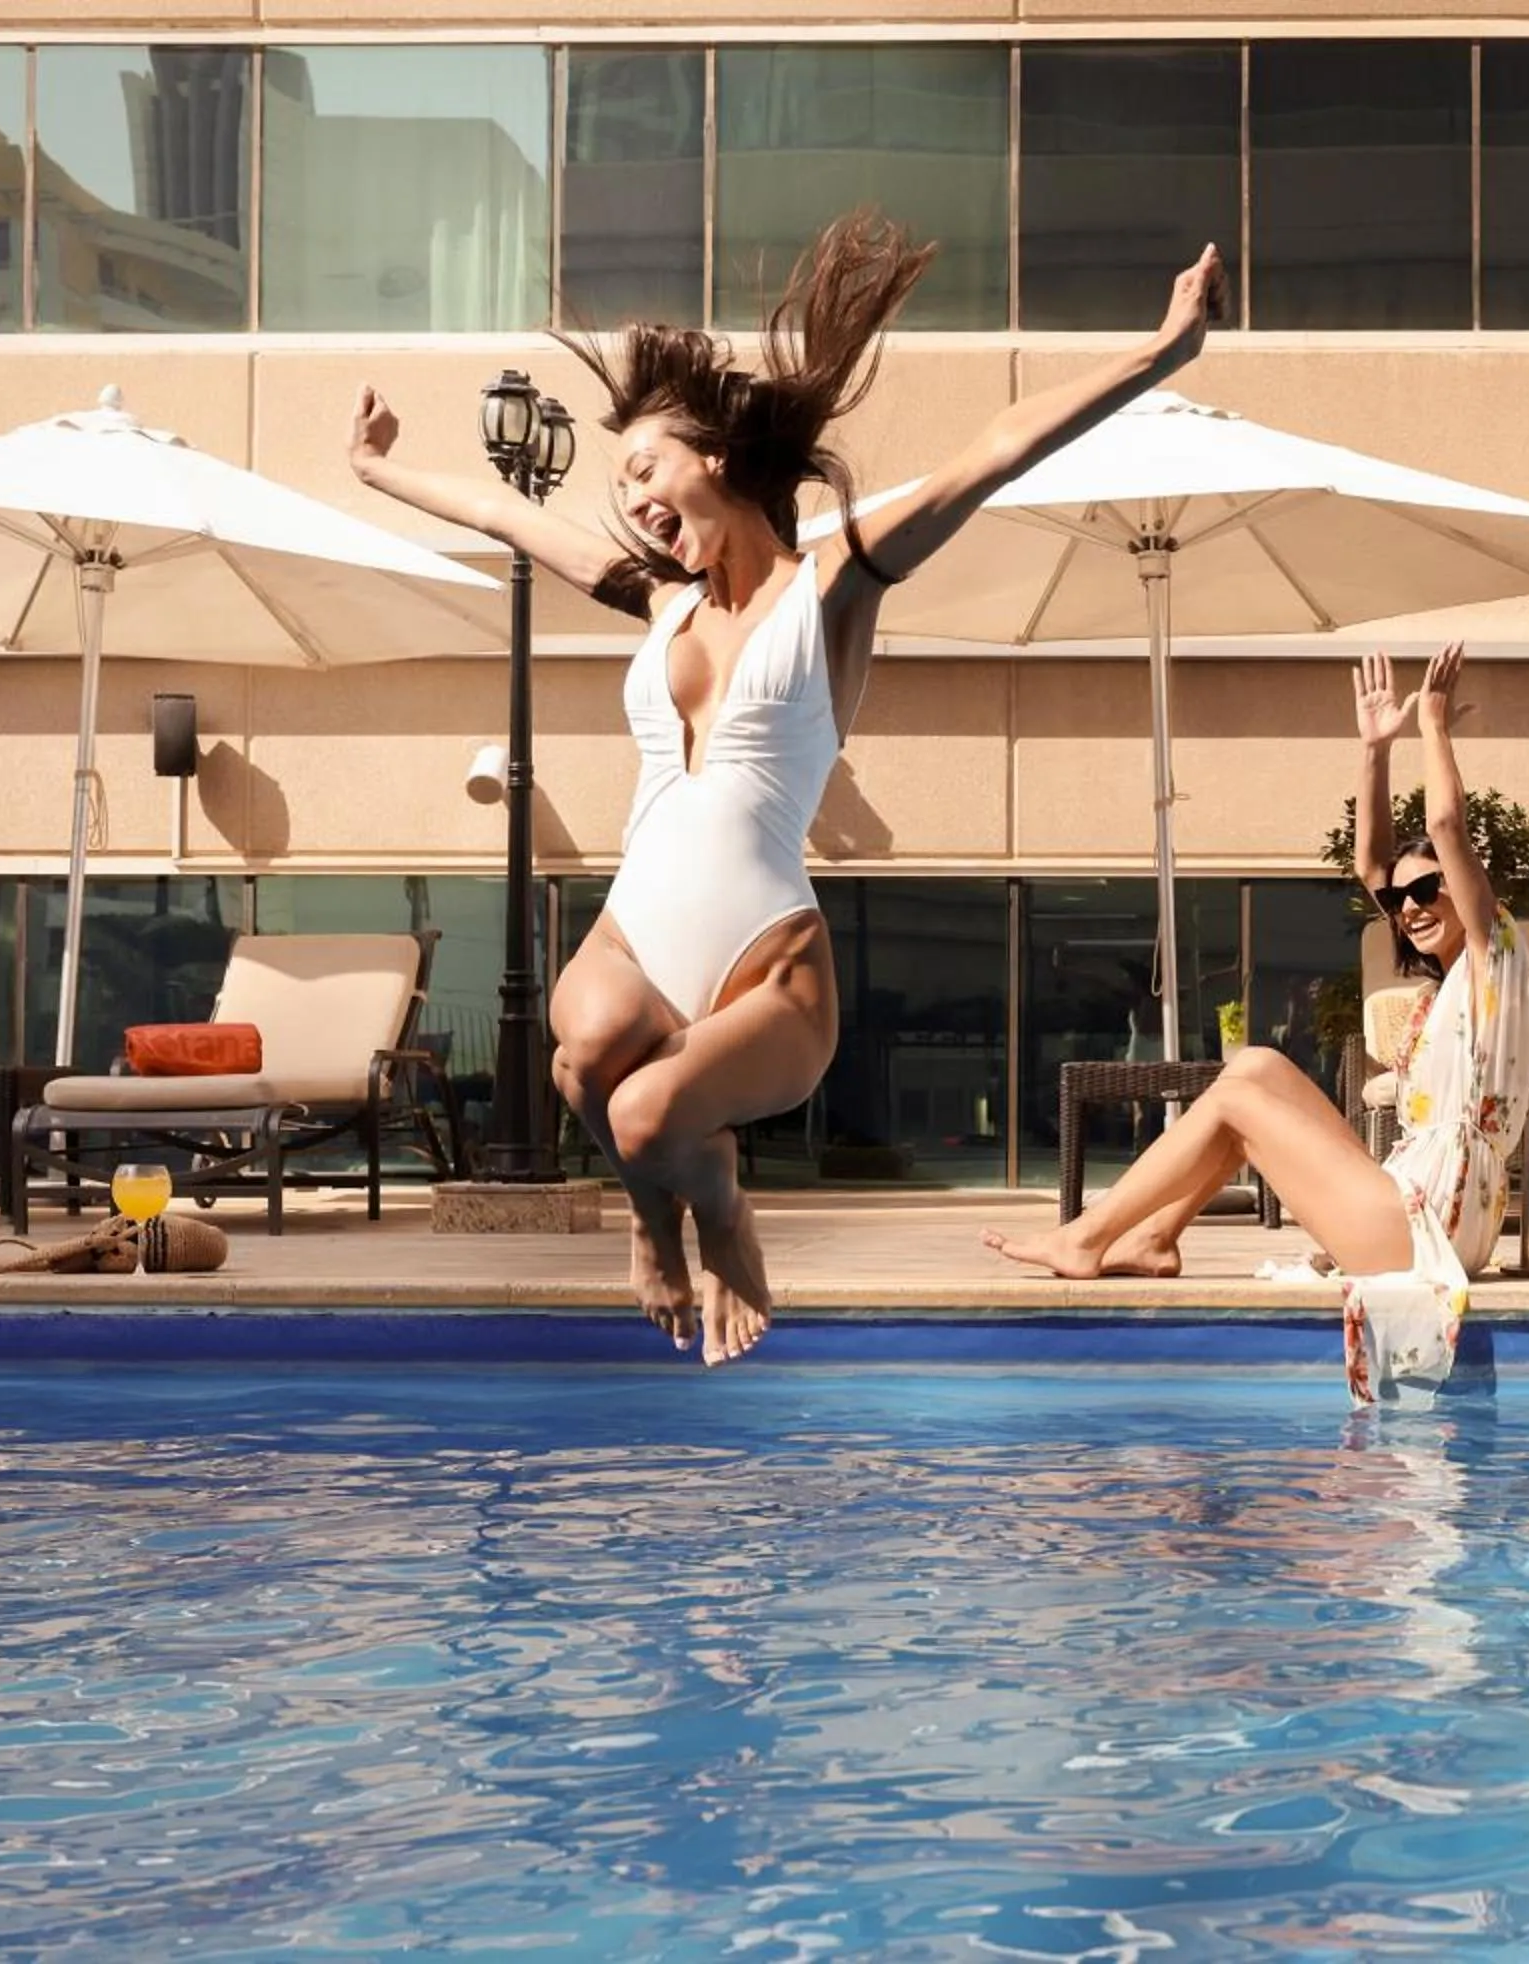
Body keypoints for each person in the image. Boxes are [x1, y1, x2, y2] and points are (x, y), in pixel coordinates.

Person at [349, 215, 1228, 1367]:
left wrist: (1160, 353)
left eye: (646, 467)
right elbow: (511, 515)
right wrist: (378, 471)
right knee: (582, 1051)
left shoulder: (836, 583)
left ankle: (716, 1215)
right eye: (624, 482)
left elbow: (996, 448)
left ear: (714, 453)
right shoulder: (659, 599)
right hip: (635, 931)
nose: (634, 498)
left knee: (640, 1113)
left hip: (767, 969)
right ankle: (660, 1221)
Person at [984, 646, 1529, 1388]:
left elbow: (1445, 823)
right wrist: (1374, 752)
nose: (1409, 906)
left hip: (1432, 1223)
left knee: (1242, 1100)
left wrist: (1432, 725)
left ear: (1463, 887)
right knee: (1254, 1067)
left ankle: (1086, 1236)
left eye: (1429, 888)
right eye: (1401, 901)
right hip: (1408, 1201)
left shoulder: (1493, 952)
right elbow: (1372, 866)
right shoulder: (1446, 990)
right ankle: (1153, 1236)